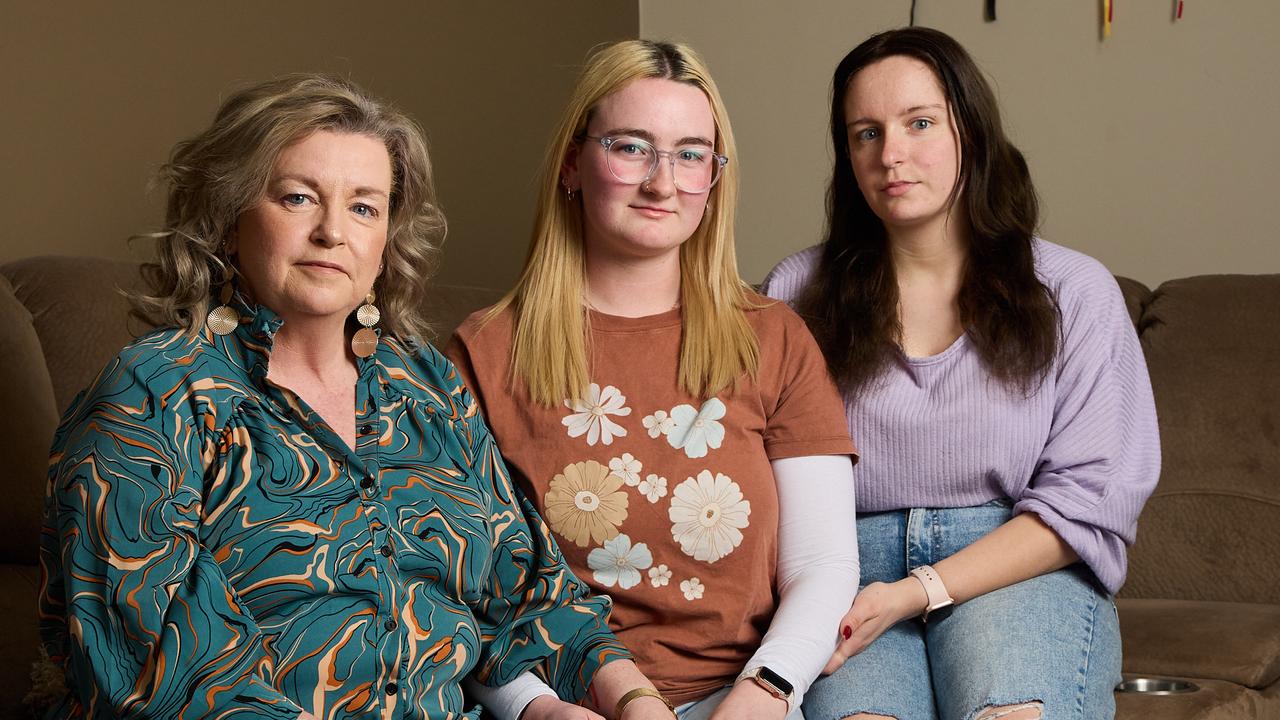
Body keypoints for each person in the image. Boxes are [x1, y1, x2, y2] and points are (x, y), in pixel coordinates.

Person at [35, 73, 661, 720]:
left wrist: (632, 700)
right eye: (298, 198)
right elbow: (163, 674)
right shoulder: (156, 394)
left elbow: (532, 593)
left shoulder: (427, 388)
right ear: (227, 221)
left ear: (386, 244)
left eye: (364, 207)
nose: (333, 232)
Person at [446, 41, 859, 720]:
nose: (663, 183)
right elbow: (458, 587)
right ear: (573, 164)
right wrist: (533, 707)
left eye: (691, 153)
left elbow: (823, 566)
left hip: (743, 695)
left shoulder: (773, 339)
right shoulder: (483, 353)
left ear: (714, 178)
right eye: (632, 147)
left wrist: (767, 692)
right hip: (560, 705)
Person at [762, 27, 1160, 720]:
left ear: (970, 133)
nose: (891, 155)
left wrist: (918, 589)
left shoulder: (1073, 291)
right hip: (845, 573)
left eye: (920, 123)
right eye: (865, 133)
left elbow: (1092, 498)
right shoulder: (796, 291)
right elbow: (756, 478)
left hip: (1014, 566)